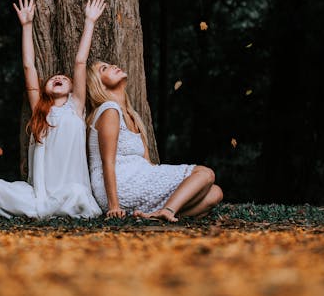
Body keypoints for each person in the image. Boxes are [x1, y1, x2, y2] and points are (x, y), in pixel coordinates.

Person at [0, 0, 106, 219]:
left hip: (69, 190)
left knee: (78, 194)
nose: (58, 77)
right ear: (44, 89)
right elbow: (29, 66)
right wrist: (26, 25)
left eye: (63, 78)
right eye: (53, 78)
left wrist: (90, 22)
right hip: (39, 193)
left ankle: (48, 210)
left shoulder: (76, 106)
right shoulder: (40, 110)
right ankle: (45, 208)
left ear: (73, 88)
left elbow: (80, 62)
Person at [86, 61, 223, 222]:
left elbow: (147, 165)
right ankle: (166, 210)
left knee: (215, 193)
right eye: (104, 68)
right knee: (205, 174)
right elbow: (107, 162)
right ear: (99, 85)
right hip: (119, 184)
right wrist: (114, 206)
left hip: (139, 177)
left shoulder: (132, 116)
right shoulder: (109, 109)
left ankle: (152, 214)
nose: (113, 66)